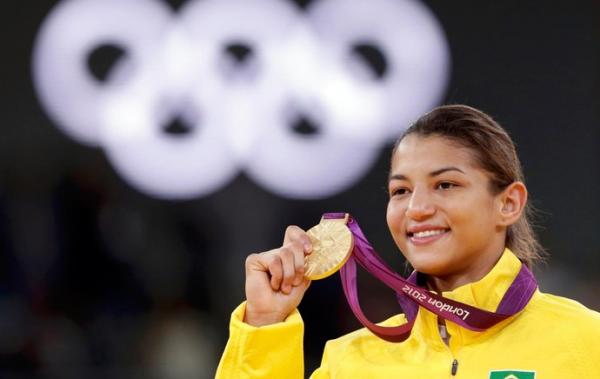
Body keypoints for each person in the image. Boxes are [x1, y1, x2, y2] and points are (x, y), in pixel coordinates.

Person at [215, 105, 600, 378]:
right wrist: (265, 325)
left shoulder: (586, 342)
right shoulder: (350, 364)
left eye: (445, 185)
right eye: (400, 191)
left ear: (508, 203)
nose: (416, 208)